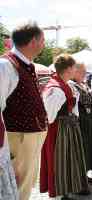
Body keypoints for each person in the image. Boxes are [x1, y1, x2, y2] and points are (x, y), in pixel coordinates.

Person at [1, 21, 47, 200]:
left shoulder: (26, 64)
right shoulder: (5, 65)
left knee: (25, 187)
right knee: (16, 189)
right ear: (33, 41)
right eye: (42, 40)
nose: (44, 44)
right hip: (17, 139)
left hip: (28, 138)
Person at [40, 54, 89, 199]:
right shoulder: (55, 89)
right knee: (59, 160)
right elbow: (49, 116)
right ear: (68, 69)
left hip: (67, 128)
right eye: (74, 67)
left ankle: (68, 189)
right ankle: (60, 192)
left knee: (69, 159)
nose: (76, 70)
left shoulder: (65, 84)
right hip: (59, 130)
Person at [69, 63, 92, 183]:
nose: (85, 74)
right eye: (82, 71)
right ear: (74, 72)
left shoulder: (83, 84)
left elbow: (91, 99)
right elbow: (84, 100)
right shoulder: (71, 84)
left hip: (88, 117)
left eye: (85, 71)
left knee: (88, 144)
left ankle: (85, 171)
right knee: (81, 146)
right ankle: (79, 175)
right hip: (80, 118)